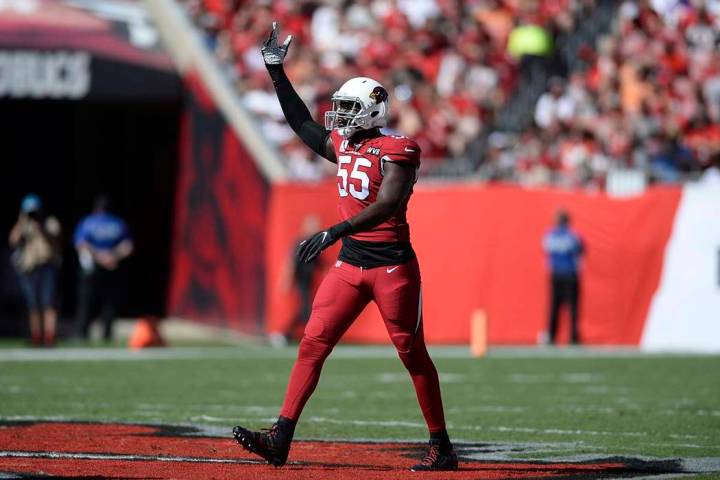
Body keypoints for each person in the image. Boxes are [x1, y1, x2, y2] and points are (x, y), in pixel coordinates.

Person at [233, 23, 457, 472]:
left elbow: (388, 202)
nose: (340, 115)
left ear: (373, 110)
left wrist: (334, 231)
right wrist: (276, 71)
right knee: (312, 344)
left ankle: (441, 444)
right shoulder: (344, 144)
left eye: (349, 108)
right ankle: (280, 437)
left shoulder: (398, 148)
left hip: (392, 268)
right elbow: (300, 122)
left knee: (412, 355)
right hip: (351, 264)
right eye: (340, 107)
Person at [73, 195, 133, 342]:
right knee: (109, 302)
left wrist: (100, 256)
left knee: (87, 300)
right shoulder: (118, 223)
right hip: (112, 265)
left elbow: (80, 244)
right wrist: (112, 256)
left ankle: (83, 332)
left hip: (92, 267)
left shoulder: (88, 222)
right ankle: (107, 333)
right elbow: (128, 246)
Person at [8, 194, 62, 346]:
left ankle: (50, 336)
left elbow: (55, 239)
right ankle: (36, 336)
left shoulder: (50, 222)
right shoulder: (24, 224)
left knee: (49, 302)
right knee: (33, 304)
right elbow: (12, 241)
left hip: (47, 266)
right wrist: (22, 221)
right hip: (30, 268)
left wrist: (41, 227)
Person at [542, 210, 584, 345]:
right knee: (573, 307)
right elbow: (580, 250)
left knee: (554, 306)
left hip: (556, 274)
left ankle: (552, 335)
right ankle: (573, 335)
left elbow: (547, 250)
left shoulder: (550, 236)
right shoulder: (572, 236)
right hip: (570, 274)